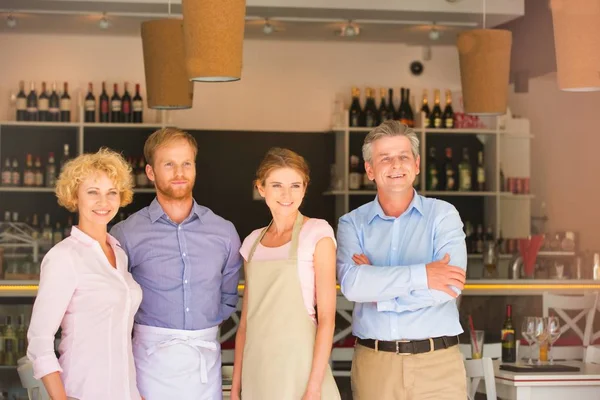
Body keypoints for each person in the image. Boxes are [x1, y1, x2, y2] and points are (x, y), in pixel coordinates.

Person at [336, 120, 468, 400]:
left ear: (417, 164)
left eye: (403, 157)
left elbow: (449, 287)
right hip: (375, 366)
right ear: (370, 169)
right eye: (385, 158)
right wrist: (423, 276)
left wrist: (379, 290)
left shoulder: (443, 216)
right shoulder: (352, 223)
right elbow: (353, 287)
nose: (396, 165)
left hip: (438, 365)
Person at [110, 127, 242, 400]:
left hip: (204, 361)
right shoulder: (125, 234)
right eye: (168, 164)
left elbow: (228, 298)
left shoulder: (224, 232)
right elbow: (115, 310)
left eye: (186, 164)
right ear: (150, 172)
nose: (179, 173)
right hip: (148, 364)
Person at [27, 148, 142, 400]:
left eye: (112, 192)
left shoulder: (119, 254)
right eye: (93, 192)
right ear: (74, 196)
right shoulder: (64, 257)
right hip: (84, 391)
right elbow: (39, 342)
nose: (104, 202)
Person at [231, 148, 341, 400]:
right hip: (258, 371)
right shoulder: (252, 243)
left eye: (295, 185)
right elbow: (246, 323)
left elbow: (327, 319)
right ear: (261, 188)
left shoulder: (317, 233)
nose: (286, 195)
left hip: (301, 370)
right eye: (277, 185)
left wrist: (314, 388)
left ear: (304, 188)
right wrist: (236, 387)